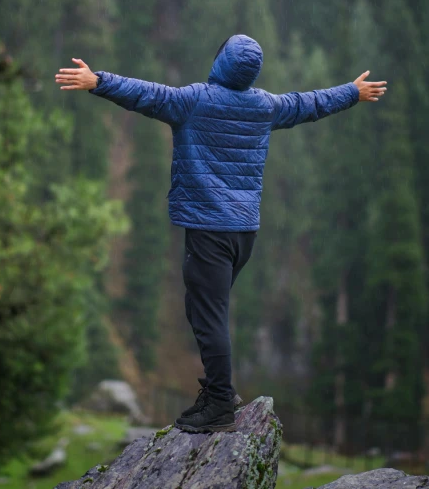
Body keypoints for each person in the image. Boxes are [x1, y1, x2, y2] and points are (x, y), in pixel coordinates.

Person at [54, 34, 387, 433]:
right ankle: (217, 391)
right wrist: (351, 92)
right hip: (243, 232)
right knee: (201, 309)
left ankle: (219, 404)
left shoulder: (194, 101)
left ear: (220, 63)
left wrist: (99, 81)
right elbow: (308, 104)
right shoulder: (265, 105)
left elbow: (145, 94)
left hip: (209, 230)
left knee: (210, 318)